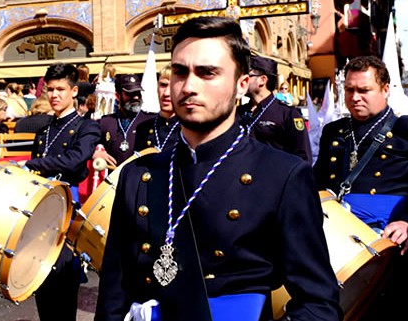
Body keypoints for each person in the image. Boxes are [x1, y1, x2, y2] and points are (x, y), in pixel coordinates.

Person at [96, 17, 341, 321]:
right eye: (180, 72)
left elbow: (317, 303)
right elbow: (113, 295)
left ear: (241, 85)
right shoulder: (139, 174)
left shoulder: (282, 174)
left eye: (207, 73)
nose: (189, 87)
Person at [313, 55, 408, 321]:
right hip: (338, 244)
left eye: (364, 90)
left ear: (385, 90)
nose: (355, 97)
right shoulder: (334, 132)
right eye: (349, 90)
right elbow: (317, 185)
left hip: (387, 242)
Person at [19, 62, 101, 321]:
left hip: (67, 212)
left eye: (60, 90)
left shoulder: (87, 127)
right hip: (41, 211)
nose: (54, 95)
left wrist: (32, 164)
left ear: (74, 91)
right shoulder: (43, 131)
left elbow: (74, 161)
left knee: (63, 284)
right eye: (50, 90)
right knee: (41, 283)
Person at [240, 56, 312, 162]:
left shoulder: (287, 113)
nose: (242, 79)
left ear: (262, 80)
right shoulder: (238, 112)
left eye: (248, 75)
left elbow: (303, 157)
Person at [94, 74, 157, 167]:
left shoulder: (151, 121)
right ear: (118, 96)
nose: (135, 97)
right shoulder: (105, 122)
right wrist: (94, 152)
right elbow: (84, 143)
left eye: (137, 93)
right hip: (112, 179)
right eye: (130, 94)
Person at [134, 65, 180, 151]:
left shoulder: (189, 129)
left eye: (172, 86)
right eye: (163, 85)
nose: (166, 93)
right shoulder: (143, 128)